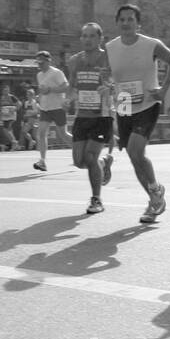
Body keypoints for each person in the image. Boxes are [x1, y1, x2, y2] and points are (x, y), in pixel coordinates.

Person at [107, 4, 170, 223]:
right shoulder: (110, 47)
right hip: (124, 103)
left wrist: (164, 89)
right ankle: (154, 198)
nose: (126, 23)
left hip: (148, 103)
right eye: (122, 19)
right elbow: (105, 74)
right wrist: (107, 86)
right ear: (117, 22)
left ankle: (155, 194)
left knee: (136, 150)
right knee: (132, 155)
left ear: (138, 23)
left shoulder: (151, 45)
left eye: (131, 19)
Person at [66, 22, 116, 213]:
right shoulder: (74, 61)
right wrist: (67, 98)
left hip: (102, 115)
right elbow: (72, 85)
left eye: (91, 36)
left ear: (100, 38)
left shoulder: (108, 58)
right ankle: (104, 164)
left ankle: (96, 200)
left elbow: (118, 82)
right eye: (84, 36)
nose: (87, 39)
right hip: (82, 115)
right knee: (79, 161)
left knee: (90, 156)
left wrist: (110, 88)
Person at [32, 51, 69, 171]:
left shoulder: (56, 72)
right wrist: (40, 95)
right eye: (38, 62)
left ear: (49, 61)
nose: (40, 65)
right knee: (41, 133)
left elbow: (65, 87)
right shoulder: (39, 75)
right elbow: (43, 90)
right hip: (45, 108)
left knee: (63, 135)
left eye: (42, 62)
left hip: (58, 107)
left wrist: (50, 89)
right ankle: (42, 161)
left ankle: (79, 151)